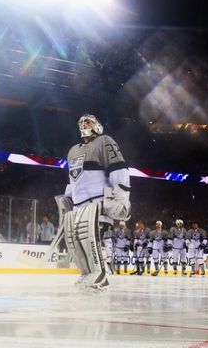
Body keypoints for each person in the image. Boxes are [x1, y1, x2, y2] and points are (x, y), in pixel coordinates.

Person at [55, 114, 131, 290]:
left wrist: (121, 198)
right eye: (81, 122)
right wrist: (68, 197)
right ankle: (87, 273)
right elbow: (74, 179)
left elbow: (118, 168)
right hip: (78, 204)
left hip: (97, 202)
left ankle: (100, 274)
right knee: (76, 241)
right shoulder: (73, 150)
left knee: (90, 238)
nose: (84, 124)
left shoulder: (105, 141)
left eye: (87, 121)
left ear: (97, 124)